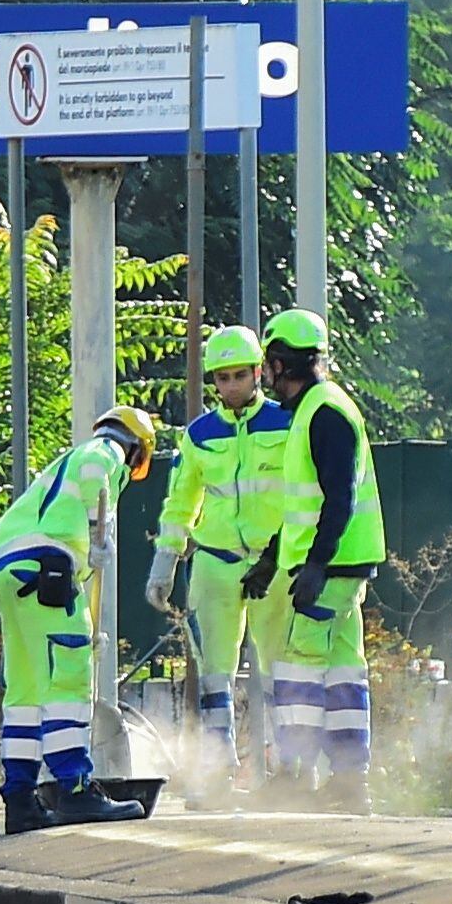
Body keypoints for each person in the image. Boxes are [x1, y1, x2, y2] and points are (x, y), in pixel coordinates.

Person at [0, 405, 159, 832]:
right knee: (69, 680)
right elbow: (95, 474)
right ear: (138, 448)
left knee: (26, 690)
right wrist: (99, 530)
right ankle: (76, 789)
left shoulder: (60, 466)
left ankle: (20, 801)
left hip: (10, 568)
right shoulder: (106, 450)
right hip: (48, 567)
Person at [244, 309, 381, 809]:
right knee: (344, 669)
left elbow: (339, 499)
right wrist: (272, 559)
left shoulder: (323, 412)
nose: (266, 375)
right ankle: (350, 781)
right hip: (341, 565)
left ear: (280, 365)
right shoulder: (321, 408)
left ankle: (296, 777)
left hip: (330, 567)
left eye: (268, 365)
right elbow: (309, 505)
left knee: (300, 665)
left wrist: (317, 564)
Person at [146, 325, 293, 784]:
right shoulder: (199, 434)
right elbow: (180, 502)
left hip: (273, 562)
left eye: (239, 376)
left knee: (281, 666)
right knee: (214, 671)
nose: (230, 386)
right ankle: (219, 768)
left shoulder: (287, 424)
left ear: (258, 373)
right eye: (222, 378)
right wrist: (165, 562)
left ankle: (289, 769)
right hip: (215, 559)